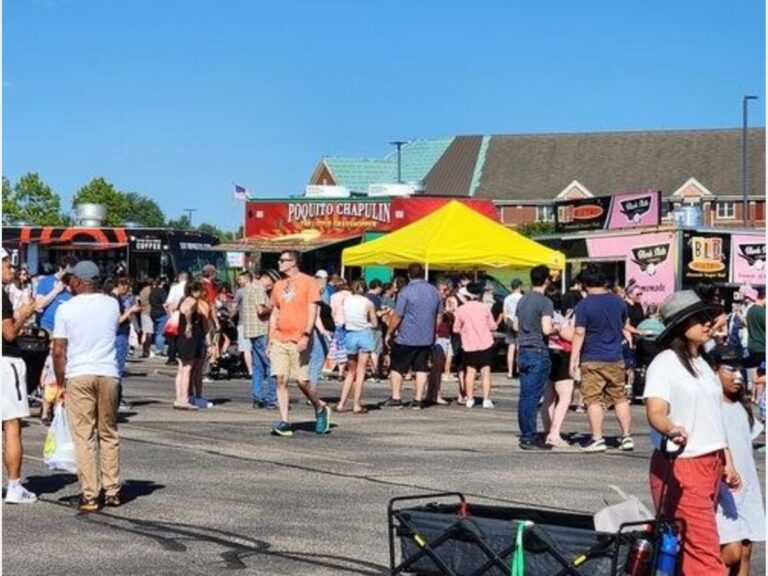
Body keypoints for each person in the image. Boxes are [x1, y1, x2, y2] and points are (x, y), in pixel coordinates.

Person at [644, 290, 742, 576]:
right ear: (679, 326)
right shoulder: (665, 363)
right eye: (698, 318)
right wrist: (671, 428)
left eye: (707, 316)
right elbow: (655, 411)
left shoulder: (703, 362)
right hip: (682, 464)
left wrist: (727, 460)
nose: (707, 322)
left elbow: (713, 417)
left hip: (711, 462)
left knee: (694, 547)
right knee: (704, 553)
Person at [52, 260, 123, 512]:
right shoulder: (112, 304)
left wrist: (60, 382)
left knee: (84, 436)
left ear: (79, 281)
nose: (69, 283)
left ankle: (90, 495)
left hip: (80, 373)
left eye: (71, 279)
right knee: (108, 432)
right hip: (108, 372)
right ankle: (112, 490)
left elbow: (59, 350)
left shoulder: (66, 308)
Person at [711, 345, 765, 576]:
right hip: (724, 490)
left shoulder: (742, 407)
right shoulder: (711, 407)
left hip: (748, 489)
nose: (738, 376)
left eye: (740, 369)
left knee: (745, 550)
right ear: (714, 371)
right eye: (730, 369)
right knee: (730, 551)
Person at [569, 264, 634, 453]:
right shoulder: (618, 301)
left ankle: (597, 438)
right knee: (619, 397)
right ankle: (626, 436)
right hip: (615, 356)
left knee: (593, 399)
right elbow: (623, 324)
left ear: (584, 283)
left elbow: (579, 333)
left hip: (592, 357)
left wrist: (573, 360)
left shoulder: (584, 305)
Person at [268, 251, 330, 437]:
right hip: (280, 337)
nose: (279, 263)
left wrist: (306, 335)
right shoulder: (278, 285)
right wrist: (270, 338)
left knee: (302, 381)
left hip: (299, 338)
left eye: (283, 260)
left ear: (293, 262)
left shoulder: (308, 282)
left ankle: (320, 407)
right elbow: (275, 312)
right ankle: (285, 421)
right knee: (280, 379)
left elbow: (313, 311)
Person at [1, 248, 38, 504]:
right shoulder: (1, 296)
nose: (11, 269)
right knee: (12, 424)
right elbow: (8, 334)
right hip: (6, 362)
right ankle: (14, 486)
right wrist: (23, 315)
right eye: (6, 264)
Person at [385, 264, 443, 410]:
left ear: (409, 274)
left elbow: (398, 315)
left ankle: (396, 397)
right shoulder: (434, 291)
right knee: (421, 368)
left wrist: (390, 332)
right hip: (426, 338)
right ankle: (418, 399)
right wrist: (433, 331)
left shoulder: (405, 292)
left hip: (406, 336)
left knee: (397, 367)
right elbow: (439, 315)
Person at [514, 265, 557, 450]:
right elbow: (547, 329)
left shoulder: (522, 300)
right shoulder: (545, 302)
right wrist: (557, 328)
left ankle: (526, 433)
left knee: (525, 396)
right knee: (532, 398)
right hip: (538, 350)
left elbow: (515, 325)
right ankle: (529, 437)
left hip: (523, 349)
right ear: (546, 280)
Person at [335, 279, 378, 413]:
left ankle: (341, 404)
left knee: (350, 371)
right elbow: (375, 323)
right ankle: (356, 405)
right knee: (361, 371)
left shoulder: (346, 300)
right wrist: (368, 323)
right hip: (364, 333)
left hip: (350, 334)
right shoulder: (368, 303)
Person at [452, 282, 497, 409]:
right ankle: (486, 399)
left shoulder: (461, 309)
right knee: (486, 371)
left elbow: (455, 329)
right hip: (485, 343)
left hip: (469, 344)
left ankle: (470, 398)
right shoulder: (485, 308)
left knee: (470, 371)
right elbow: (493, 326)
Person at [242, 269, 280, 409]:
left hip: (252, 331)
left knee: (258, 367)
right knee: (271, 365)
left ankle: (257, 398)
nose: (272, 287)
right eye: (273, 283)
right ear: (267, 278)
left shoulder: (249, 287)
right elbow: (260, 310)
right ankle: (272, 399)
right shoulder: (259, 289)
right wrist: (273, 308)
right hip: (262, 330)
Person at [173, 280, 206, 410]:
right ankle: (184, 399)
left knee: (181, 368)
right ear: (194, 291)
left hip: (180, 336)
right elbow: (187, 310)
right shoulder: (192, 300)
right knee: (187, 368)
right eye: (200, 290)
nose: (201, 293)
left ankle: (179, 398)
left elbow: (171, 307)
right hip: (189, 338)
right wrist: (189, 324)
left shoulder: (182, 299)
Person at [35, 256, 75, 333]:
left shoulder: (74, 283)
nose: (70, 275)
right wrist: (56, 290)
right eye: (68, 272)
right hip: (48, 328)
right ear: (60, 268)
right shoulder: (45, 281)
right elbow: (38, 305)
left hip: (67, 330)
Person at [164, 271, 189, 365]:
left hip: (175, 314)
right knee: (184, 336)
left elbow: (169, 302)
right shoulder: (189, 287)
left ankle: (171, 357)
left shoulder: (174, 288)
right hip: (187, 314)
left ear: (179, 278)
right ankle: (183, 356)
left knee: (173, 337)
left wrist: (169, 313)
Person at [234, 271, 254, 378]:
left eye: (240, 279)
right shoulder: (258, 290)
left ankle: (251, 371)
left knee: (246, 349)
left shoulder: (240, 292)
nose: (239, 281)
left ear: (247, 279)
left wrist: (230, 316)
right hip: (256, 323)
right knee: (257, 348)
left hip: (243, 323)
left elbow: (234, 307)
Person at [502, 279, 523, 379]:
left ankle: (510, 372)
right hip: (520, 321)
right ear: (520, 287)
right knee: (519, 347)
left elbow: (504, 312)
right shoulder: (522, 298)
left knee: (511, 347)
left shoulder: (507, 298)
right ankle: (518, 370)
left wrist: (506, 322)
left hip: (509, 320)